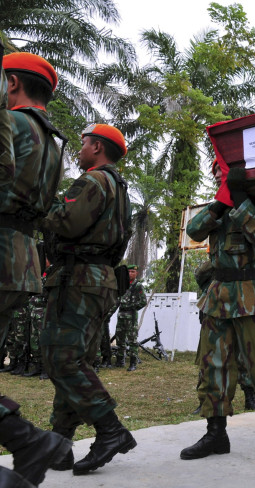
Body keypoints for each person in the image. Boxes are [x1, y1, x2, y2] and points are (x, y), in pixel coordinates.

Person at [40, 122, 136, 474]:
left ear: (97, 147)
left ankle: (110, 430)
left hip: (79, 277)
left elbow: (67, 223)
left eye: (83, 145)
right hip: (98, 278)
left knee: (61, 358)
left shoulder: (93, 181)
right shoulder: (119, 187)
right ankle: (60, 444)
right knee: (74, 359)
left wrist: (44, 211)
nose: (79, 150)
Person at [183, 159, 255, 461]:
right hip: (219, 295)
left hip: (253, 297)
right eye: (217, 170)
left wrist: (240, 197)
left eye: (226, 169)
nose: (220, 174)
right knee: (213, 365)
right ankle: (215, 433)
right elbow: (194, 230)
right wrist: (221, 203)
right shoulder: (217, 205)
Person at [0, 51, 73, 485]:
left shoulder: (11, 122)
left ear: (11, 84)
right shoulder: (51, 139)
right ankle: (29, 442)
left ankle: (29, 440)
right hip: (22, 256)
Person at [115, 264, 147, 371]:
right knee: (120, 338)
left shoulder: (138, 286)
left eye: (133, 272)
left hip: (131, 316)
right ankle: (120, 360)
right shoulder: (122, 285)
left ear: (136, 273)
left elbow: (143, 301)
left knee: (132, 339)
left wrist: (133, 307)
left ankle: (133, 363)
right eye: (129, 272)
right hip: (121, 315)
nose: (130, 274)